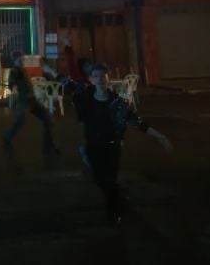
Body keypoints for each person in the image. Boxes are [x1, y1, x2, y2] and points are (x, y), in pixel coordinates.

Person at [72, 62, 170, 223]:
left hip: (112, 148)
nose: (100, 79)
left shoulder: (117, 103)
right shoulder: (87, 100)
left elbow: (136, 121)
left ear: (107, 78)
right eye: (96, 76)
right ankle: (119, 201)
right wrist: (50, 71)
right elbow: (69, 84)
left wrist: (160, 136)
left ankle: (115, 212)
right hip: (93, 148)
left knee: (109, 180)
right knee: (100, 180)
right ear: (91, 79)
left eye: (103, 76)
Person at [2, 51, 60, 155]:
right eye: (19, 59)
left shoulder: (22, 69)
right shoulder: (15, 71)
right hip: (24, 101)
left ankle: (49, 145)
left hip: (31, 100)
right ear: (15, 60)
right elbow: (12, 85)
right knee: (20, 122)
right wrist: (15, 95)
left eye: (22, 59)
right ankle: (7, 137)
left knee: (46, 119)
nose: (22, 61)